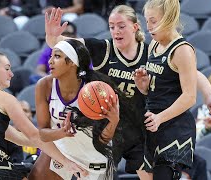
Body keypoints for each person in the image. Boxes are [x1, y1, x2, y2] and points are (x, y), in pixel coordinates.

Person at [44, 6, 211, 180]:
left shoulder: (151, 52)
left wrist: (210, 94)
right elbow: (63, 45)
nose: (116, 31)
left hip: (138, 129)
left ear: (135, 27)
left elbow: (193, 74)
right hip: (106, 128)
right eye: (112, 26)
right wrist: (52, 39)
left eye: (121, 26)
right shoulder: (102, 49)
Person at [0, 51, 87, 180]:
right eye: (7, 69)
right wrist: (66, 162)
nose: (11, 74)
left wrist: (57, 136)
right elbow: (35, 136)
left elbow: (19, 138)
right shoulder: (3, 97)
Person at [29, 39, 135, 179]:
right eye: (51, 56)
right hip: (62, 149)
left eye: (57, 56)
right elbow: (42, 133)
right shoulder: (44, 85)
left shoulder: (96, 91)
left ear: (72, 62)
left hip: (92, 154)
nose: (50, 61)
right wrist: (62, 132)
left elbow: (102, 140)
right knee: (36, 175)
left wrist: (113, 121)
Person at [133, 0, 197, 179]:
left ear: (168, 19)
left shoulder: (182, 50)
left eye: (153, 21)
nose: (148, 27)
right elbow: (159, 89)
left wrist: (160, 118)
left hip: (174, 127)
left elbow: (190, 97)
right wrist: (143, 86)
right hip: (154, 122)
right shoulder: (154, 45)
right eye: (147, 21)